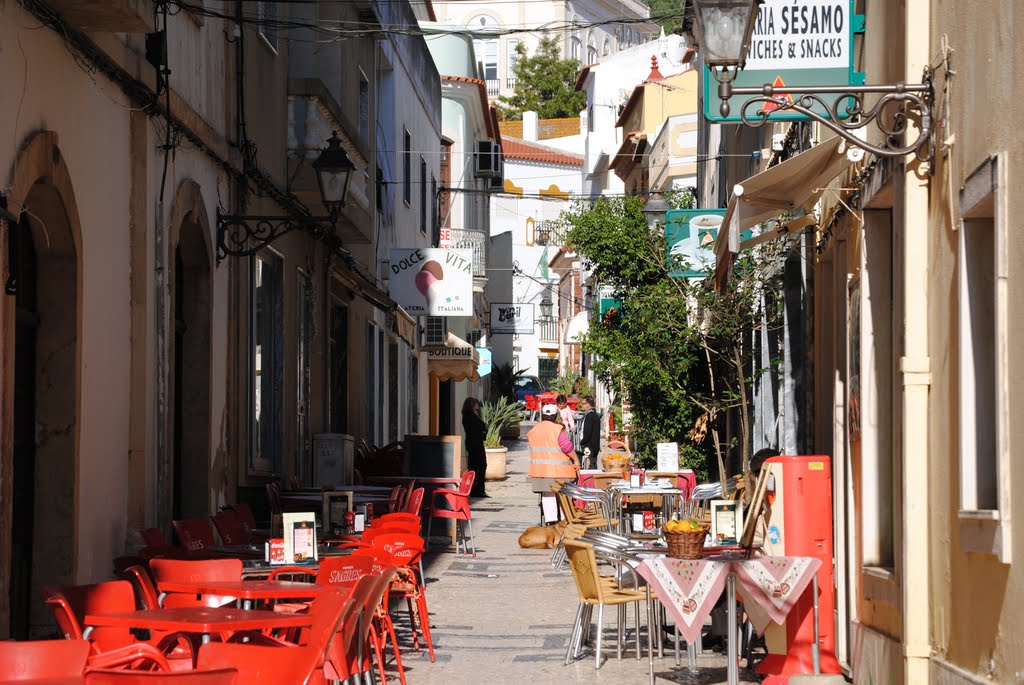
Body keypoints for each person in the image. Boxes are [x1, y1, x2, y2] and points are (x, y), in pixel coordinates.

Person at [527, 403, 580, 524]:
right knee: (563, 494)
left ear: (543, 416)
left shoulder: (534, 430)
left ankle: (550, 521)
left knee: (547, 494)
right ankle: (563, 520)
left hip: (540, 472)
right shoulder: (557, 430)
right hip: (560, 471)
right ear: (556, 415)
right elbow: (567, 448)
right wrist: (576, 460)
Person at [461, 397, 488, 497]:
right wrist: (484, 430)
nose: (477, 406)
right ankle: (479, 490)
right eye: (476, 404)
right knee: (481, 466)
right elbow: (483, 426)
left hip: (470, 443)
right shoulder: (472, 416)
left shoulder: (466, 416)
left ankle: (473, 488)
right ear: (472, 405)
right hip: (476, 444)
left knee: (473, 466)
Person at [576, 396, 600, 470]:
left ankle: (586, 480)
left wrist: (582, 442)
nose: (581, 405)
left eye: (583, 403)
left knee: (589, 466)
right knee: (592, 465)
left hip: (589, 447)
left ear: (588, 404)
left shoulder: (589, 416)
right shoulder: (594, 415)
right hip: (594, 446)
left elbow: (587, 432)